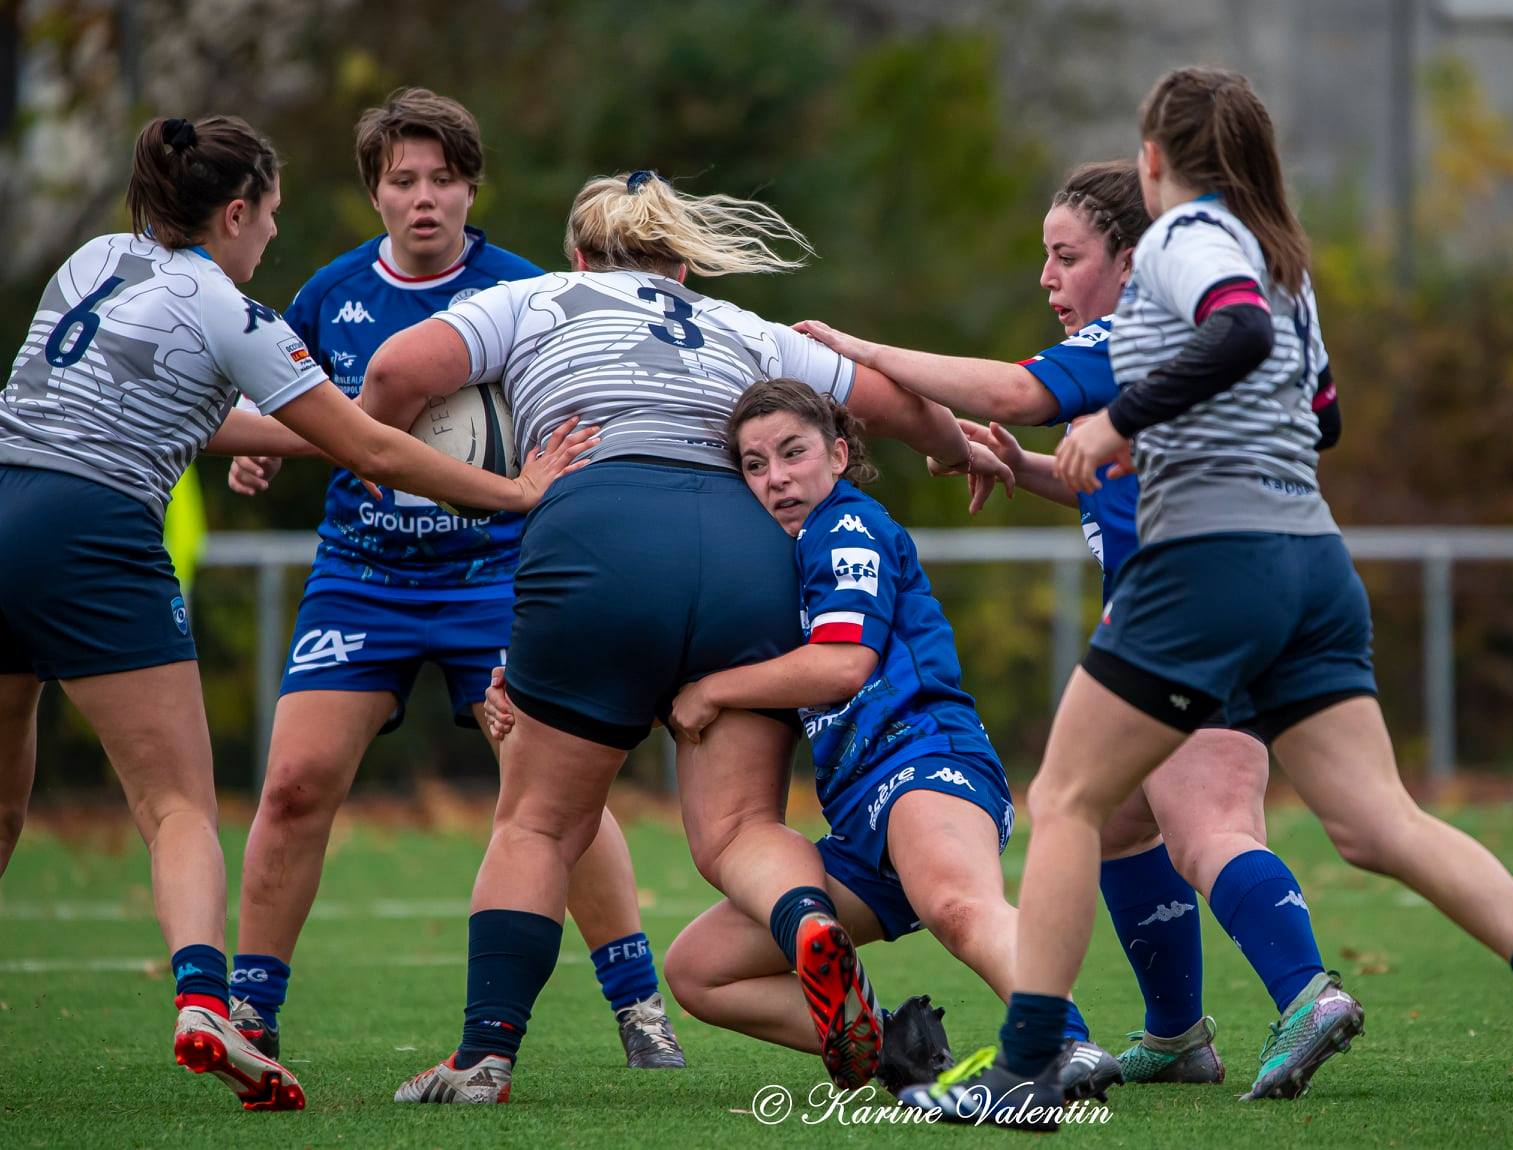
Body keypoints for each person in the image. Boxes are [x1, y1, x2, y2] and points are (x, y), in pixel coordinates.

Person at [897, 67, 1513, 1141]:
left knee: (1063, 803)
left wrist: (1119, 417)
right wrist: (1142, 431)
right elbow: (1321, 415)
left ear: (1155, 161)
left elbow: (1231, 336)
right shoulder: (1284, 258)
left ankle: (1021, 1071)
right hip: (1309, 561)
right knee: (1378, 822)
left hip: (1211, 568)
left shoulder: (1187, 241)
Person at [360, 170, 1011, 1104]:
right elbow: (888, 400)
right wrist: (954, 451)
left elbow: (391, 375)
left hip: (601, 530)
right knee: (742, 827)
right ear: (682, 265)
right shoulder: (746, 330)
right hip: (749, 558)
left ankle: (484, 1059)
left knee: (542, 821)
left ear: (580, 256)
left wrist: (386, 462)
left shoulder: (533, 296)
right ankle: (805, 926)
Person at [0, 116, 591, 1111]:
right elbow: (381, 452)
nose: (272, 236)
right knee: (177, 807)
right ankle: (205, 1001)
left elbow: (199, 409)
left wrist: (305, 435)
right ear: (234, 213)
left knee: (4, 805)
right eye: (268, 216)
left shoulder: (98, 258)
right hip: (91, 534)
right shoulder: (232, 310)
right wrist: (516, 493)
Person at [795, 159, 1354, 1096]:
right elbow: (1124, 483)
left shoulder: (1139, 338)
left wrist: (860, 354)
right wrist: (1036, 472)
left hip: (1187, 620)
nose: (1047, 280)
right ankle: (1178, 1037)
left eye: (1065, 257)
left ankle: (1309, 996)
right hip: (1227, 602)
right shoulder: (1165, 349)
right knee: (1123, 824)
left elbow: (1004, 388)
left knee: (1203, 825)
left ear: (1131, 261)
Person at [221, 89, 681, 1070]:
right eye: (402, 181)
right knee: (296, 784)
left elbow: (586, 411)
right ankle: (248, 1018)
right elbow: (312, 409)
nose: (424, 198)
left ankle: (639, 1006)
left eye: (443, 179)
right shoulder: (333, 295)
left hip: (500, 580)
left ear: (473, 187)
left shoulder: (526, 292)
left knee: (553, 791)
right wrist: (261, 452)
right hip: (363, 574)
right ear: (374, 193)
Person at [639, 379, 1116, 1101]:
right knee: (700, 969)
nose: (777, 478)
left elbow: (842, 664)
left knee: (956, 903)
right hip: (861, 819)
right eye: (755, 465)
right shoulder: (787, 555)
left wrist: (712, 691)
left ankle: (1065, 1041)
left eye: (793, 453)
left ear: (837, 454)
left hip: (925, 759)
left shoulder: (846, 527)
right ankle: (905, 1051)